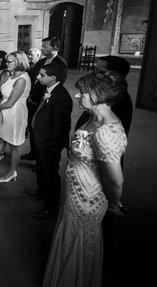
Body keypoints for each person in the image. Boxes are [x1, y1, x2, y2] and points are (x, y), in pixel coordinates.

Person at [43, 69, 127, 287]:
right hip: (75, 192)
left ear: (98, 95)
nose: (78, 96)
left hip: (88, 198)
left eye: (83, 92)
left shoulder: (106, 133)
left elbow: (115, 180)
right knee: (69, 233)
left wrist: (115, 202)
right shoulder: (93, 119)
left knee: (80, 239)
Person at [26, 63, 72, 219]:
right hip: (41, 138)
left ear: (53, 78)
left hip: (49, 143)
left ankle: (51, 206)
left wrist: (54, 147)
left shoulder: (60, 96)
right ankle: (41, 190)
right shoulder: (48, 89)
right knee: (41, 168)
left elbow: (62, 126)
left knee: (50, 173)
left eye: (42, 75)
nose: (38, 77)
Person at [0, 51, 31, 182]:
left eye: (10, 61)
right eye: (7, 61)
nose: (6, 63)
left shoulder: (22, 79)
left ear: (19, 62)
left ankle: (12, 172)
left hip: (15, 113)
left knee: (14, 145)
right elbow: (4, 95)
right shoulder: (12, 75)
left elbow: (11, 102)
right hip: (5, 111)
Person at [24, 37, 68, 161]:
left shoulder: (61, 64)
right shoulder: (42, 61)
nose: (42, 49)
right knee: (33, 126)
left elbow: (55, 86)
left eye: (44, 47)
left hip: (44, 100)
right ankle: (33, 152)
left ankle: (41, 158)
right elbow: (32, 74)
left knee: (42, 129)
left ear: (55, 48)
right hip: (33, 98)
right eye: (42, 46)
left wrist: (40, 99)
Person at [74, 55, 133, 137]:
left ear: (111, 76)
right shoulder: (100, 95)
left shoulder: (118, 101)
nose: (92, 74)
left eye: (98, 71)